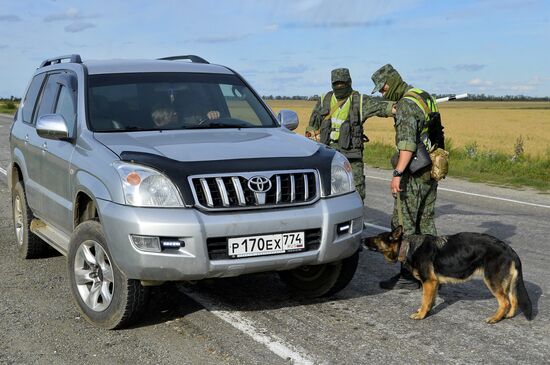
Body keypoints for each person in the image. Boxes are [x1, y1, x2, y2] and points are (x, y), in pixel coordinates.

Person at [370, 64, 439, 290]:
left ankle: (409, 276)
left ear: (392, 81)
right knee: (426, 224)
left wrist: (397, 174)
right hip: (431, 170)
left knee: (404, 224)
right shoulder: (422, 95)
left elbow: (408, 145)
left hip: (414, 173)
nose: (382, 93)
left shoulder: (406, 106)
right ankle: (432, 273)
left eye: (383, 88)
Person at [307, 68, 394, 201]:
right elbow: (311, 127)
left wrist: (400, 107)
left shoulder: (358, 101)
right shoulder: (325, 99)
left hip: (351, 156)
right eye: (336, 84)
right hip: (328, 155)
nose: (339, 87)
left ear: (349, 83)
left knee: (356, 192)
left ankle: (356, 219)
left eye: (343, 83)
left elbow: (382, 107)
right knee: (326, 191)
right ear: (332, 84)